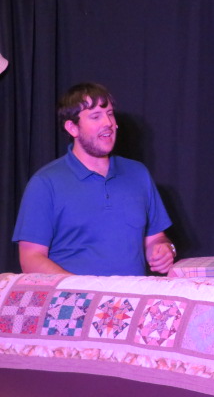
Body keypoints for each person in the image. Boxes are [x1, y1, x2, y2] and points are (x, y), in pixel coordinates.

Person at [13, 82, 176, 276]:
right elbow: (30, 258)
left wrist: (164, 249)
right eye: (95, 116)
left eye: (110, 114)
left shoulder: (138, 173)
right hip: (73, 296)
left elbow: (155, 238)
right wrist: (81, 290)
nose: (108, 123)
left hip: (134, 294)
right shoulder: (45, 183)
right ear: (72, 128)